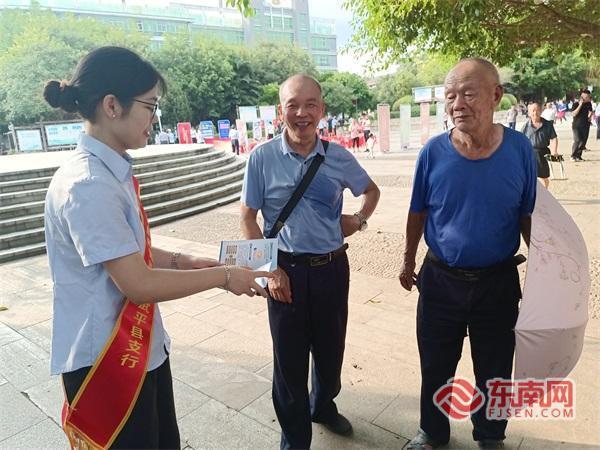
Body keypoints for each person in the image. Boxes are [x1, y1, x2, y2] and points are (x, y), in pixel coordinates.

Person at [42, 46, 272, 450]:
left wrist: (187, 261)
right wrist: (223, 276)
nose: (155, 118)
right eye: (149, 106)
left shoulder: (109, 171)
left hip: (138, 351)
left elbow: (128, 252)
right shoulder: (89, 185)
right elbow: (139, 283)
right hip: (106, 365)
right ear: (112, 105)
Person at [399, 58, 536, 450]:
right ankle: (432, 431)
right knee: (436, 363)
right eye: (450, 96)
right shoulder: (432, 153)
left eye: (468, 94)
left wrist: (547, 272)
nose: (457, 104)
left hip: (498, 282)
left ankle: (490, 434)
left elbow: (527, 214)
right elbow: (417, 212)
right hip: (441, 279)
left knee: (496, 367)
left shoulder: (519, 150)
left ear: (496, 96)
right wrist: (408, 259)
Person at [240, 74, 380, 450]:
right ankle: (295, 439)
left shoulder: (338, 157)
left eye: (310, 105)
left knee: (331, 351)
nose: (301, 113)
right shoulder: (262, 158)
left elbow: (371, 190)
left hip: (331, 269)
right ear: (281, 110)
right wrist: (271, 271)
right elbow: (248, 218)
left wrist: (359, 219)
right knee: (289, 362)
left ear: (322, 110)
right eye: (293, 105)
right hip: (284, 271)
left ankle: (323, 405)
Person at [522, 102, 559, 188]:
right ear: (529, 113)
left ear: (541, 111)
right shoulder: (525, 126)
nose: (535, 113)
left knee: (543, 176)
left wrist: (554, 151)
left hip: (542, 153)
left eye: (537, 110)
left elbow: (554, 138)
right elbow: (520, 140)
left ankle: (544, 191)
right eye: (533, 111)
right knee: (529, 176)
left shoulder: (548, 124)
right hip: (529, 153)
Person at [570, 89, 593, 161]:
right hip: (577, 126)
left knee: (583, 141)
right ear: (582, 97)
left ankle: (578, 156)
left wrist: (590, 116)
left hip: (586, 125)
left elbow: (590, 111)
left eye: (588, 97)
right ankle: (573, 156)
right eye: (586, 97)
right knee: (577, 140)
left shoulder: (589, 104)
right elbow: (573, 114)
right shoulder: (576, 104)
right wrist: (580, 105)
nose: (588, 98)